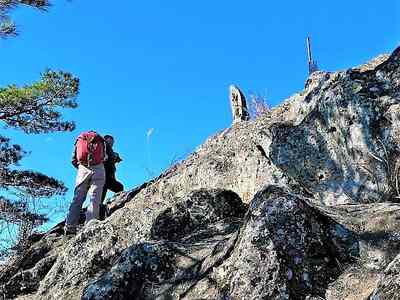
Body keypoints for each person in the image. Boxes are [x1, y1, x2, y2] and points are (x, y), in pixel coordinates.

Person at [64, 131, 106, 235]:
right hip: (98, 168)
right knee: (95, 197)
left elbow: (73, 159)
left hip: (82, 168)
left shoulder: (80, 139)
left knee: (78, 198)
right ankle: (90, 225)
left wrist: (80, 167)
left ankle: (70, 227)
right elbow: (105, 157)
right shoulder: (100, 140)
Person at [102, 135, 124, 202]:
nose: (113, 143)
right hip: (103, 175)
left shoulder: (108, 150)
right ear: (106, 140)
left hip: (105, 176)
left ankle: (98, 207)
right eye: (111, 141)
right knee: (119, 187)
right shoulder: (104, 148)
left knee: (102, 192)